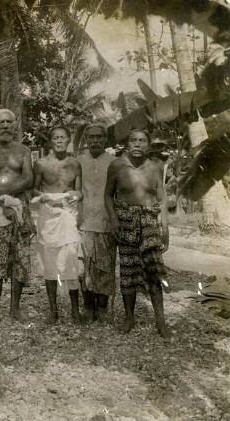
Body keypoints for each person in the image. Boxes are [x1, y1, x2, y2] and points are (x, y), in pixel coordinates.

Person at [105, 128, 171, 338]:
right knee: (128, 271)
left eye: (142, 141)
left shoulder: (155, 167)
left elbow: (161, 199)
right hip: (125, 223)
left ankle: (160, 320)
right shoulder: (116, 166)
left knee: (153, 270)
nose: (137, 144)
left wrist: (165, 230)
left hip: (149, 223)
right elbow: (108, 196)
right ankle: (129, 317)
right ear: (127, 144)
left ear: (148, 145)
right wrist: (114, 220)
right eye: (133, 140)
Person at [0, 109, 35, 324]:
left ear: (15, 124)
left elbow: (28, 179)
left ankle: (15, 308)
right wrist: (5, 204)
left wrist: (12, 201)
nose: (5, 125)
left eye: (9, 122)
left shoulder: (24, 150)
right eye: (0, 122)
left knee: (20, 259)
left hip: (21, 211)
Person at [32, 127, 83, 324]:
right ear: (50, 141)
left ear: (69, 140)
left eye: (63, 137)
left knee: (71, 261)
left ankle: (75, 310)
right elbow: (34, 190)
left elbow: (79, 191)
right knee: (49, 264)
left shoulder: (74, 164)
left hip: (67, 216)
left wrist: (74, 196)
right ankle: (53, 310)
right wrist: (42, 196)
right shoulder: (41, 163)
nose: (59, 140)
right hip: (48, 217)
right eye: (55, 137)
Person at [77, 124, 117, 323]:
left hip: (106, 222)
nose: (94, 141)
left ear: (105, 139)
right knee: (84, 267)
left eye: (99, 137)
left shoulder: (115, 162)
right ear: (85, 139)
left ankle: (102, 308)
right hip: (82, 222)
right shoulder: (78, 162)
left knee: (105, 266)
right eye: (91, 137)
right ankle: (88, 307)